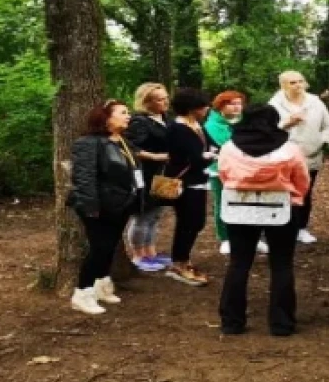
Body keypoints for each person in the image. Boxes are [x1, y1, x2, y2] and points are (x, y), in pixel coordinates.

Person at [216, 104, 312, 337]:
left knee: (239, 263)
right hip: (280, 208)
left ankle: (232, 321)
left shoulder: (229, 148)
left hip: (238, 208)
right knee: (281, 264)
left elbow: (224, 175)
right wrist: (296, 199)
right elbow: (302, 179)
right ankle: (281, 323)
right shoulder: (289, 149)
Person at [68, 99, 143, 314]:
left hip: (120, 205)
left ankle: (101, 285)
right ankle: (82, 293)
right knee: (99, 248)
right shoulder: (88, 143)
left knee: (110, 247)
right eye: (123, 112)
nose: (128, 116)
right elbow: (83, 177)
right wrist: (90, 207)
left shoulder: (122, 141)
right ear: (106, 118)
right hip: (99, 206)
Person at [269, 71, 329, 247]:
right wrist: (287, 124)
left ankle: (301, 228)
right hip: (283, 156)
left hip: (310, 155)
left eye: (301, 81)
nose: (298, 85)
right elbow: (268, 129)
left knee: (305, 192)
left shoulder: (315, 102)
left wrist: (322, 141)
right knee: (283, 191)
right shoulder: (274, 104)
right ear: (283, 85)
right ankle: (281, 227)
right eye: (292, 82)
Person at [165, 88, 217, 286]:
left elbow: (212, 146)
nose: (207, 109)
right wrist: (205, 156)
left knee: (196, 222)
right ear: (191, 108)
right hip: (184, 183)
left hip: (199, 180)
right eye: (203, 106)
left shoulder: (196, 124)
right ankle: (179, 263)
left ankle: (182, 259)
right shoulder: (177, 128)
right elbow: (194, 158)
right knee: (189, 222)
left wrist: (207, 154)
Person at [124, 83, 171, 272]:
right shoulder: (139, 121)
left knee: (156, 214)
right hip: (146, 174)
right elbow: (130, 148)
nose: (165, 102)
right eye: (160, 99)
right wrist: (155, 156)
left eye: (166, 97)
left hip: (164, 174)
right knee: (143, 215)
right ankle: (138, 255)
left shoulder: (166, 119)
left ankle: (151, 252)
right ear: (147, 102)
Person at [206, 90, 245, 256]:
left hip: (246, 170)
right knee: (223, 202)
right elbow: (227, 147)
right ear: (221, 106)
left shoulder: (245, 121)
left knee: (246, 202)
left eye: (239, 103)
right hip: (220, 170)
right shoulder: (212, 125)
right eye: (232, 104)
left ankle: (248, 237)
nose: (237, 107)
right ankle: (225, 238)